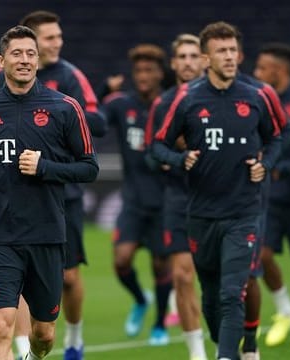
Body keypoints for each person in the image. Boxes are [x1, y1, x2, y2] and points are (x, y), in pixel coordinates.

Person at [0, 25, 99, 360]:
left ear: (38, 61)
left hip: (45, 236)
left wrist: (45, 167)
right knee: (0, 328)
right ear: (1, 61)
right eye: (17, 54)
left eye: (30, 54)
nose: (24, 60)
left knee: (44, 334)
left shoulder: (65, 108)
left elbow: (89, 167)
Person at [152, 21, 282, 360]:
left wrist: (265, 163)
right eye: (221, 51)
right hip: (201, 214)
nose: (229, 57)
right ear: (207, 58)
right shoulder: (188, 100)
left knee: (230, 293)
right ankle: (228, 347)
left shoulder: (256, 96)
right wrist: (181, 160)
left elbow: (278, 136)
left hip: (243, 212)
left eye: (232, 50)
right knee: (210, 298)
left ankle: (230, 354)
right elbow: (158, 146)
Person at [0, 10, 107, 360]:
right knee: (17, 280)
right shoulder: (2, 82)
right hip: (15, 200)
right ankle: (23, 347)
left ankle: (73, 336)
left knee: (68, 278)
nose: (58, 43)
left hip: (62, 197)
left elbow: (97, 124)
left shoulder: (70, 78)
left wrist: (61, 115)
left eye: (58, 37)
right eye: (50, 37)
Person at [102, 43, 172, 346]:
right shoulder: (121, 104)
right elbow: (92, 123)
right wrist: (103, 91)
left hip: (166, 201)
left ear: (160, 73)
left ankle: (159, 325)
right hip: (132, 199)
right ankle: (140, 299)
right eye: (139, 70)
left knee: (161, 265)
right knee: (121, 261)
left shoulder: (172, 105)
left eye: (149, 70)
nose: (143, 75)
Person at [145, 33, 208, 359]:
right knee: (183, 276)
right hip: (178, 198)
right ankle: (197, 354)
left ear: (204, 60)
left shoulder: (222, 98)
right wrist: (175, 157)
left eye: (193, 55)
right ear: (173, 63)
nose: (187, 62)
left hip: (218, 200)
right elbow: (150, 153)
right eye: (181, 56)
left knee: (221, 282)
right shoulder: (163, 103)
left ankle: (239, 343)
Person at [254, 42, 290, 349]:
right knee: (261, 256)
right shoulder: (262, 102)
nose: (257, 74)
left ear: (280, 69)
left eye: (262, 68)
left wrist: (285, 168)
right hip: (271, 198)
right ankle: (285, 309)